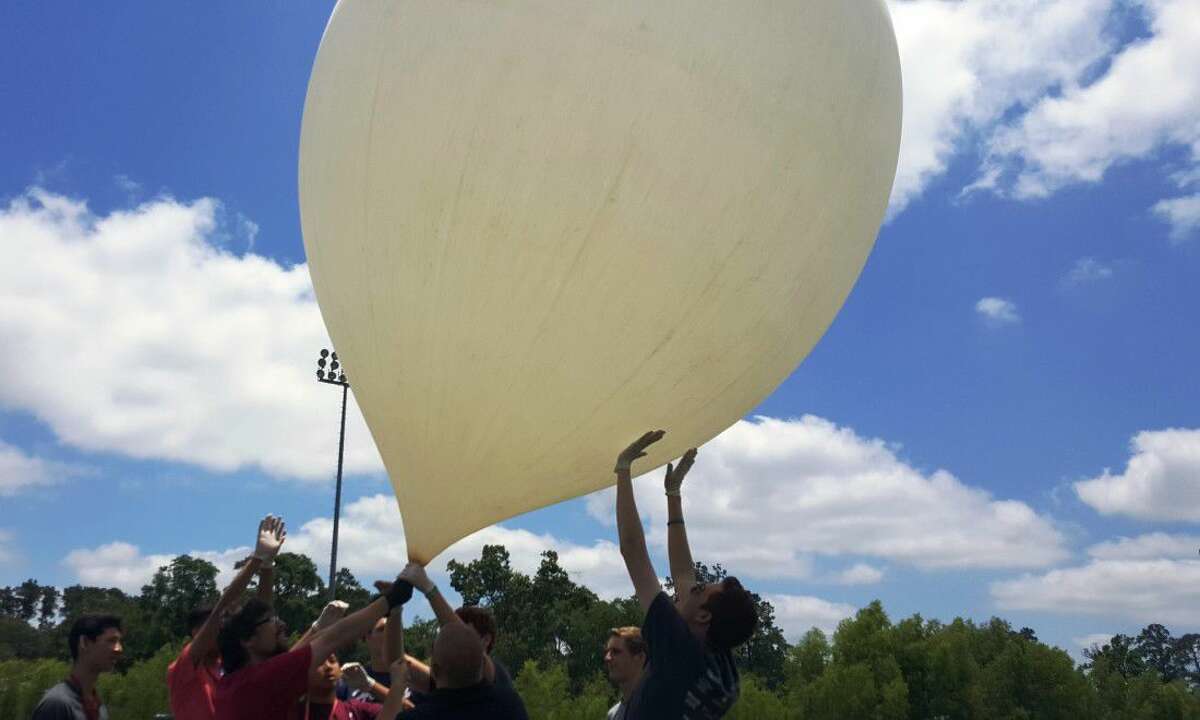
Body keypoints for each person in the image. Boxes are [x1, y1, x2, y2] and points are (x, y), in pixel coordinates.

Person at [613, 431, 759, 719]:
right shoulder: (720, 663)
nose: (686, 587)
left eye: (699, 589)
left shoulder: (678, 647)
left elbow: (633, 551)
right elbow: (682, 572)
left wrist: (623, 470)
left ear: (704, 616)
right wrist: (673, 494)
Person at [213, 574, 415, 720]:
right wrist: (392, 599)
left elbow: (295, 654)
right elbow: (333, 638)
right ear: (247, 640)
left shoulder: (232, 685)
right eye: (271, 621)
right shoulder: (260, 681)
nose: (280, 624)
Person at [168, 514, 285, 720]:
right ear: (197, 632)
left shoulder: (231, 665)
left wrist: (267, 565)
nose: (224, 629)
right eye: (219, 625)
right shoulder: (186, 667)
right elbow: (220, 610)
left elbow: (261, 615)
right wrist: (256, 559)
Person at [397, 563, 520, 706]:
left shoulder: (498, 677)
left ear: (485, 640)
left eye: (465, 631)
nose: (453, 636)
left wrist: (428, 588)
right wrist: (394, 607)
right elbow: (397, 661)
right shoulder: (444, 679)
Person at [385, 623, 528, 719]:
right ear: (481, 665)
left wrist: (397, 687)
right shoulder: (509, 705)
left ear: (434, 671)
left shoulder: (420, 716)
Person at [31, 614, 123, 720]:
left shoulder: (98, 707)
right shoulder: (57, 704)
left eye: (119, 642)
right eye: (111, 641)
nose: (119, 649)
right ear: (84, 642)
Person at [299, 653, 382, 720]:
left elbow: (394, 709)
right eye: (319, 662)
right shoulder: (295, 712)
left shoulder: (356, 711)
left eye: (332, 660)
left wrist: (370, 685)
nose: (328, 666)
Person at [336, 618, 393, 703]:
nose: (390, 633)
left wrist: (371, 685)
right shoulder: (351, 679)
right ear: (368, 637)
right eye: (382, 629)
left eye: (393, 629)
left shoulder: (414, 677)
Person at [603, 627, 646, 720]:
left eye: (616, 652)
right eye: (607, 652)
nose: (607, 658)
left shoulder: (660, 707)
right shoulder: (613, 715)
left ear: (640, 657)